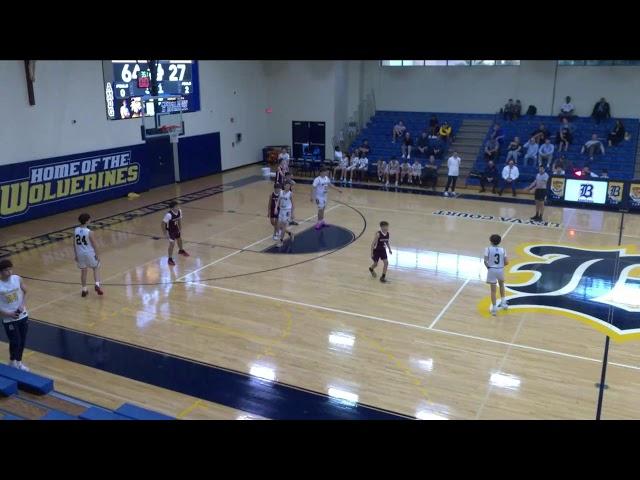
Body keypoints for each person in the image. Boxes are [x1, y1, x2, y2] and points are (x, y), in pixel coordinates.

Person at [0, 259, 30, 371]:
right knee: (15, 341)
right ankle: (12, 361)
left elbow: (25, 291)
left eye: (10, 269)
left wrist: (22, 304)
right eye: (6, 270)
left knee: (22, 340)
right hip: (9, 319)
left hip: (22, 315)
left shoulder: (17, 278)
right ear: (1, 272)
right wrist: (8, 313)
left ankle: (19, 362)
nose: (9, 272)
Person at [74, 213, 104, 297]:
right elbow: (94, 244)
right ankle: (97, 285)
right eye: (89, 219)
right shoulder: (89, 232)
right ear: (87, 221)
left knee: (83, 271)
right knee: (96, 268)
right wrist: (97, 254)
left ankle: (84, 289)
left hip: (80, 254)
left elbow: (74, 244)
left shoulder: (76, 230)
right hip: (89, 253)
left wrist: (76, 254)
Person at [484, 234, 509, 316]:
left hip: (491, 270)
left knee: (493, 290)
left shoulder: (487, 249)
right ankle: (503, 303)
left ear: (490, 241)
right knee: (502, 285)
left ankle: (494, 309)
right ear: (499, 241)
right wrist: (500, 266)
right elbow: (506, 262)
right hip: (500, 270)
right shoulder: (503, 250)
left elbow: (485, 261)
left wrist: (490, 268)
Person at [162, 201, 189, 266]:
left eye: (178, 206)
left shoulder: (179, 211)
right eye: (176, 206)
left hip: (176, 229)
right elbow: (162, 224)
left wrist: (180, 228)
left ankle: (181, 250)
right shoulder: (169, 215)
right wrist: (165, 233)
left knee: (179, 239)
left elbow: (179, 219)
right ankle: (170, 259)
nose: (178, 207)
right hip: (170, 231)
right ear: (172, 208)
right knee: (172, 244)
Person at [276, 182, 295, 247]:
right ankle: (290, 233)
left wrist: (292, 213)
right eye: (287, 186)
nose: (288, 187)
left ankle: (281, 241)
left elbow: (293, 204)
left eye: (289, 186)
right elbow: (278, 200)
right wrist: (276, 208)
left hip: (287, 211)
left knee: (283, 226)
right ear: (284, 186)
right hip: (281, 210)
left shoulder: (290, 194)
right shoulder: (281, 192)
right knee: (278, 226)